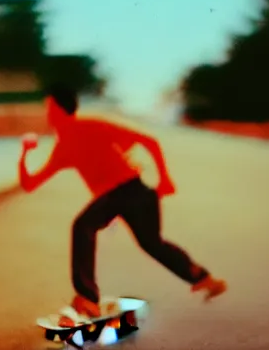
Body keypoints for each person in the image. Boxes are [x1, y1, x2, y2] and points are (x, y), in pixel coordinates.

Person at [18, 84, 227, 322]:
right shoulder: (62, 148)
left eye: (50, 109)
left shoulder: (92, 126)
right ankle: (204, 279)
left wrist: (165, 178)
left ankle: (87, 298)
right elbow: (30, 184)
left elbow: (148, 140)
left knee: (84, 226)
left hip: (127, 190)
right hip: (137, 194)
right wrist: (24, 154)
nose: (48, 115)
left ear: (63, 110)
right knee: (152, 244)